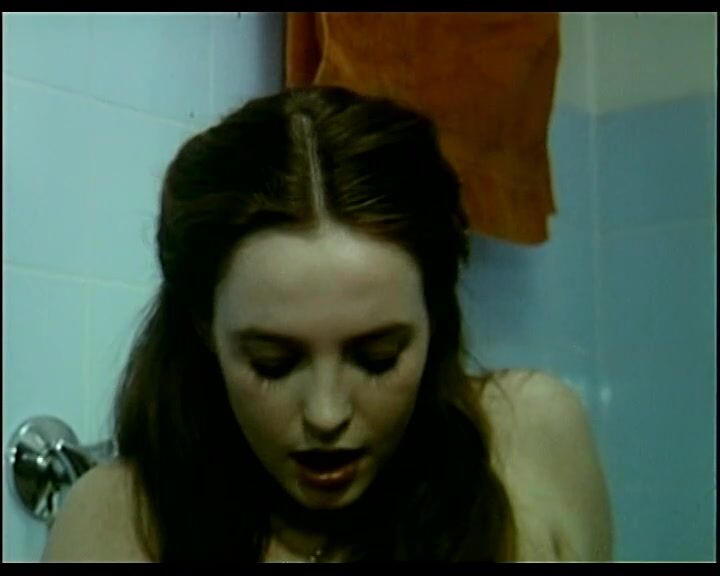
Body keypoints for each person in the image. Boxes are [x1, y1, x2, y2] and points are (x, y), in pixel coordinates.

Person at [42, 86, 612, 562]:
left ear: (434, 318)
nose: (326, 414)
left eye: (378, 358)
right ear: (203, 328)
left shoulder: (529, 441)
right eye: (272, 364)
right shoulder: (114, 520)